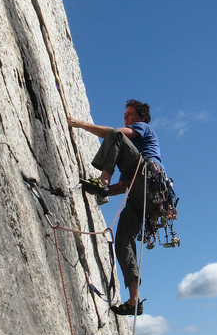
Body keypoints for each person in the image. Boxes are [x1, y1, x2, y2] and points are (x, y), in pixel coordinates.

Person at [68, 100, 163, 316]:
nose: (125, 117)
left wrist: (81, 124)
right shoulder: (130, 157)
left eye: (130, 114)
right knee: (122, 243)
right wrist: (92, 189)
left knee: (115, 135)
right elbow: (122, 186)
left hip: (149, 182)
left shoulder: (144, 129)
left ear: (141, 118)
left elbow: (114, 134)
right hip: (144, 198)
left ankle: (101, 180)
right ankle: (134, 300)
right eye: (125, 114)